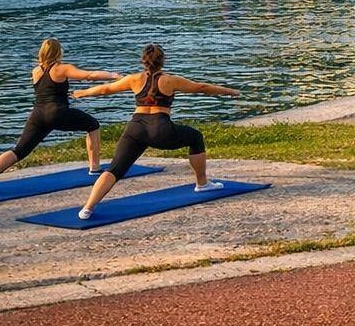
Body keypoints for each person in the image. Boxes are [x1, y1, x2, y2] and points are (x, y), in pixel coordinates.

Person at [73, 44, 239, 220]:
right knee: (195, 137)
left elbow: (106, 89)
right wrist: (230, 92)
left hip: (135, 129)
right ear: (163, 60)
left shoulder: (134, 79)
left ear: (143, 61)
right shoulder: (170, 80)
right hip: (161, 129)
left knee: (114, 169)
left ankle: (87, 208)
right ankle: (202, 183)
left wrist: (82, 93)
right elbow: (201, 87)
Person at [0, 39, 122, 194]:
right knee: (92, 125)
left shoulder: (36, 71)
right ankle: (94, 168)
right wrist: (114, 75)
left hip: (37, 115)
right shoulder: (61, 68)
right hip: (58, 113)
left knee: (19, 151)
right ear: (58, 52)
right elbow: (89, 75)